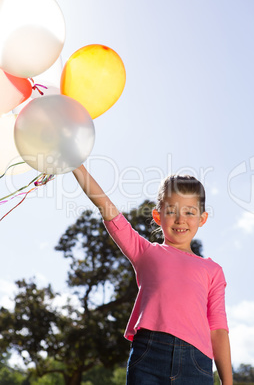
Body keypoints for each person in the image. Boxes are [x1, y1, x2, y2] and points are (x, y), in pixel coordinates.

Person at [72, 165, 233, 385]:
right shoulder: (146, 252)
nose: (180, 219)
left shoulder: (213, 271)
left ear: (202, 218)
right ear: (157, 215)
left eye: (189, 212)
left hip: (196, 364)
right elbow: (107, 208)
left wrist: (228, 382)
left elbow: (218, 330)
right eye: (171, 211)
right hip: (149, 355)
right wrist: (76, 165)